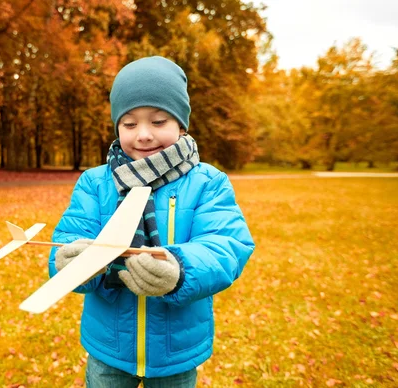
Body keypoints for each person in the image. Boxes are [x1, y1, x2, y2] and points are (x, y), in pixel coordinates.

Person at [47, 56, 255, 388]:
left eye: (158, 121)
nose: (143, 135)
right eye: (129, 124)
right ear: (117, 127)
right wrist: (68, 263)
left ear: (182, 125)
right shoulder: (94, 182)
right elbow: (68, 239)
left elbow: (227, 245)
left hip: (175, 351)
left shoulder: (208, 183)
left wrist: (181, 270)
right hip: (109, 349)